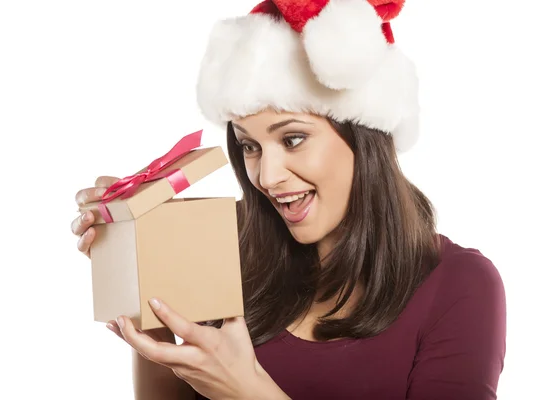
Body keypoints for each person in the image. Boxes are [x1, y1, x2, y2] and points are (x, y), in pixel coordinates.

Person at [71, 0, 507, 399]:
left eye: (293, 139)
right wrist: (149, 296)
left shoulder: (459, 285)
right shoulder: (229, 251)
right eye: (249, 146)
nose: (266, 176)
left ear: (364, 136)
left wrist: (249, 391)